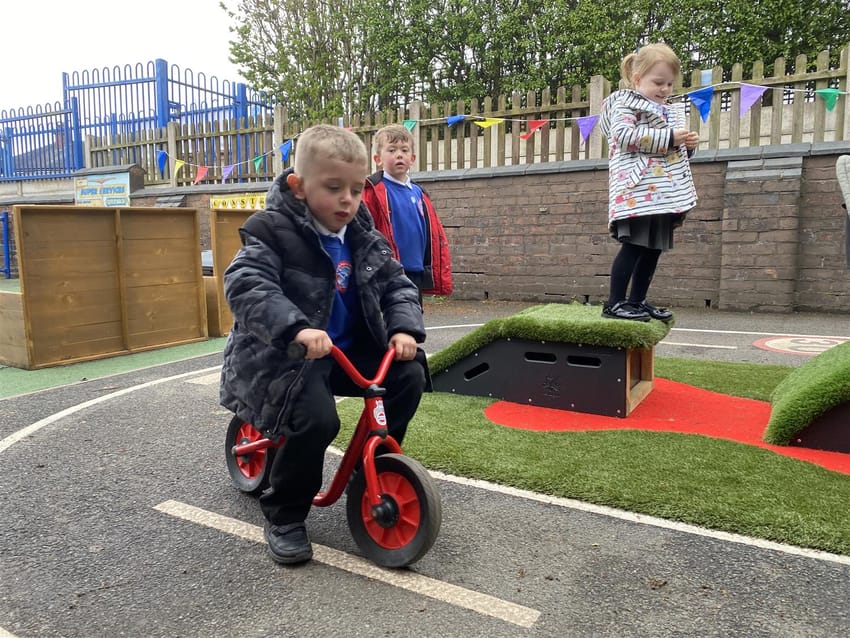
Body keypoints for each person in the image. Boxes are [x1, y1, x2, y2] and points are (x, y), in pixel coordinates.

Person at [219, 124, 428, 565]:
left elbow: (398, 286)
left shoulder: (364, 237)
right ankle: (285, 516)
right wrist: (295, 328)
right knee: (317, 419)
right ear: (299, 187)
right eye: (334, 189)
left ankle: (367, 472)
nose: (347, 200)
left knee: (408, 373)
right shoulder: (272, 231)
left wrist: (403, 329)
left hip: (346, 352)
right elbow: (246, 283)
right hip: (287, 355)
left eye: (356, 189)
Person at [598, 43, 699, 322]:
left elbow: (674, 153)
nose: (664, 89)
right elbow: (623, 136)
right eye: (658, 82)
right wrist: (669, 138)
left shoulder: (671, 111)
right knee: (634, 246)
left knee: (654, 249)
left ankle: (637, 301)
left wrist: (687, 146)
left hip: (664, 194)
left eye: (669, 84)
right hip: (638, 192)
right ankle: (614, 304)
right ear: (637, 79)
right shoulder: (625, 104)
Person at [362, 124, 453, 306]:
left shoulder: (420, 194)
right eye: (392, 150)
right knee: (391, 317)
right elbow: (365, 231)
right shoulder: (372, 191)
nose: (399, 155)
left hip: (415, 272)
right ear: (378, 159)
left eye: (404, 150)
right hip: (387, 272)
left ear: (412, 159)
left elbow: (434, 235)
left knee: (414, 317)